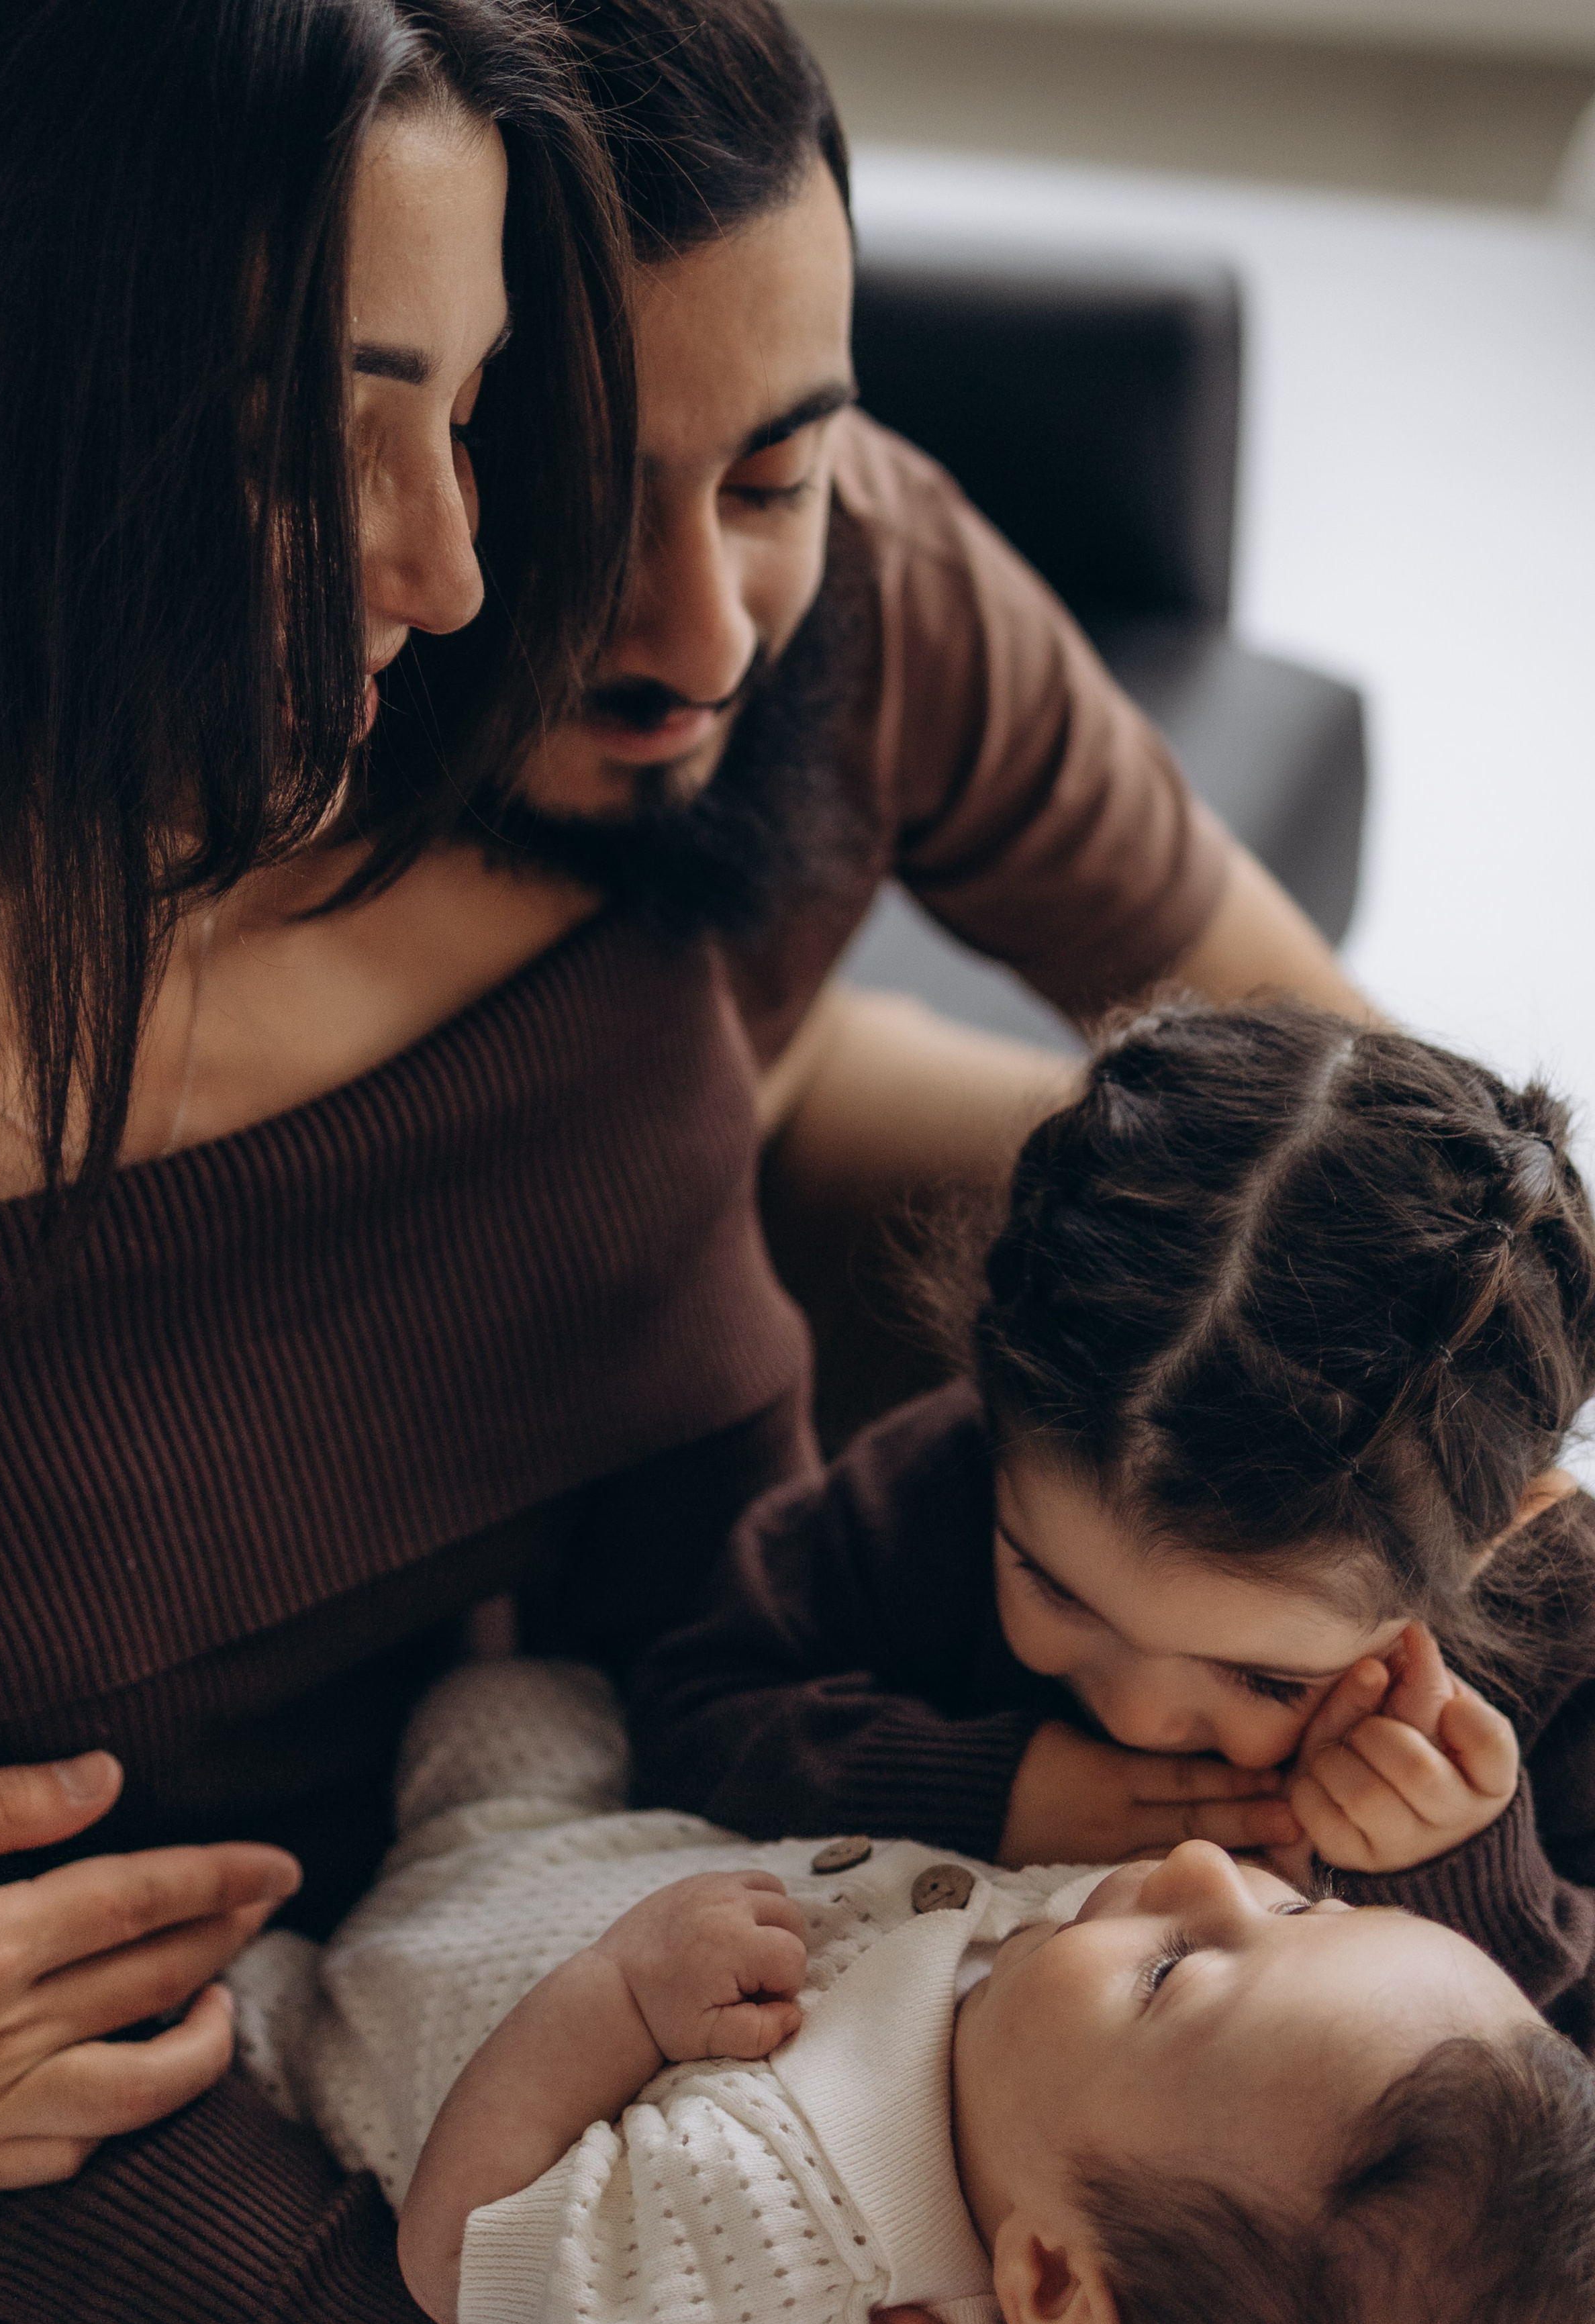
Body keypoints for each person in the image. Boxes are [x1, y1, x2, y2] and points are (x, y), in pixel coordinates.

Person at [0, 9, 1185, 2324]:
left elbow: (743, 1665)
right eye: (324, 437)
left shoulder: (572, 887)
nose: (464, 571)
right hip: (97, 2323)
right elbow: (37, 2119)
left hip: (614, 2164)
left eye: (471, 424)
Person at [478, 0, 1379, 1439]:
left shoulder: (883, 567)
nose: (708, 636)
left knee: (1333, 1340)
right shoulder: (200, 699)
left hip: (771, 1112)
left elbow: (1337, 1091)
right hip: (435, 1331)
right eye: (576, 509)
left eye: (772, 478)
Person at [223, 1660, 1595, 2324]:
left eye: (1178, 1972)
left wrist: (617, 2002)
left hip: (366, 2032)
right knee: (517, 1685)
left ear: (1048, 2283)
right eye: (1301, 1908)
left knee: (201, 2005)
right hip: (565, 1838)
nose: (1201, 1868)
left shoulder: (775, 2262)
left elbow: (460, 2262)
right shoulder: (1088, 2100)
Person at [630, 1002, 1595, 2062]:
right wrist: (991, 1790)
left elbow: (1559, 2125)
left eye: (1268, 1680)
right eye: (1054, 1590)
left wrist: (1456, 1875)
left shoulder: (1568, 1632)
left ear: (1498, 1535)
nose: (1137, 1720)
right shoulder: (967, 1470)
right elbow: (692, 1707)